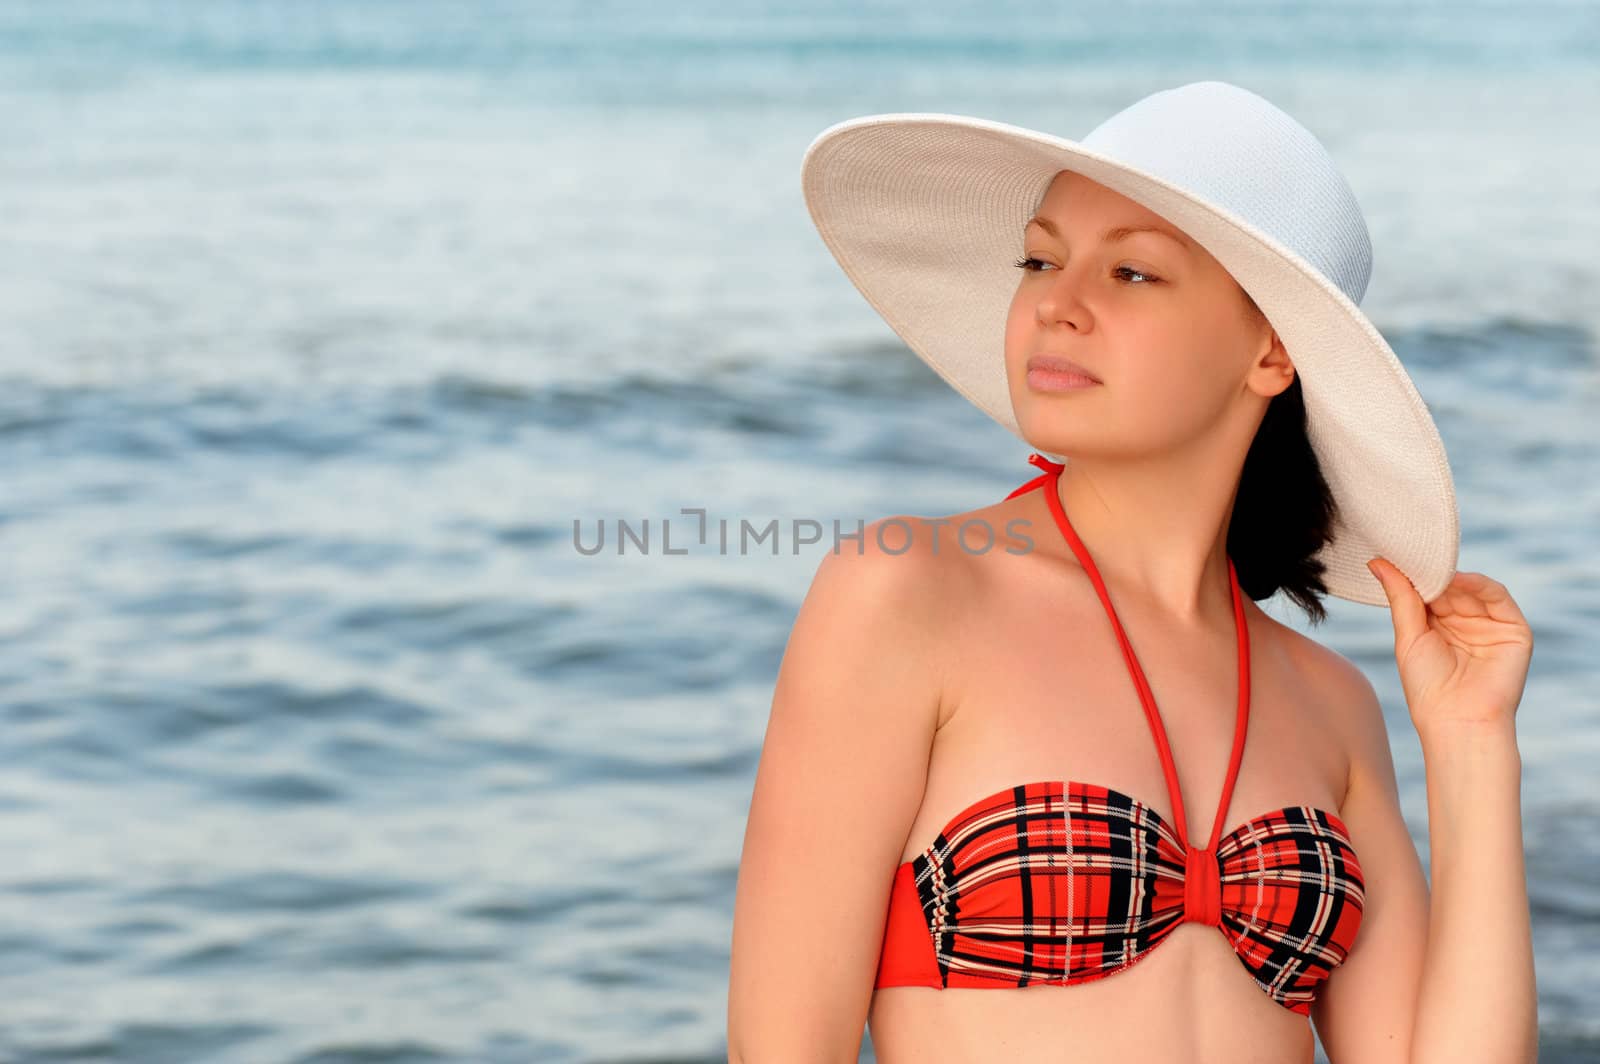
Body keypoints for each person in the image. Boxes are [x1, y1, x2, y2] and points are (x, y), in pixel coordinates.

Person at [727, 82, 1536, 1063]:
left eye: (1133, 274)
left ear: (1271, 350)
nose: (1057, 306)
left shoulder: (1330, 703)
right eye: (1039, 260)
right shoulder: (907, 595)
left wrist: (1471, 744)